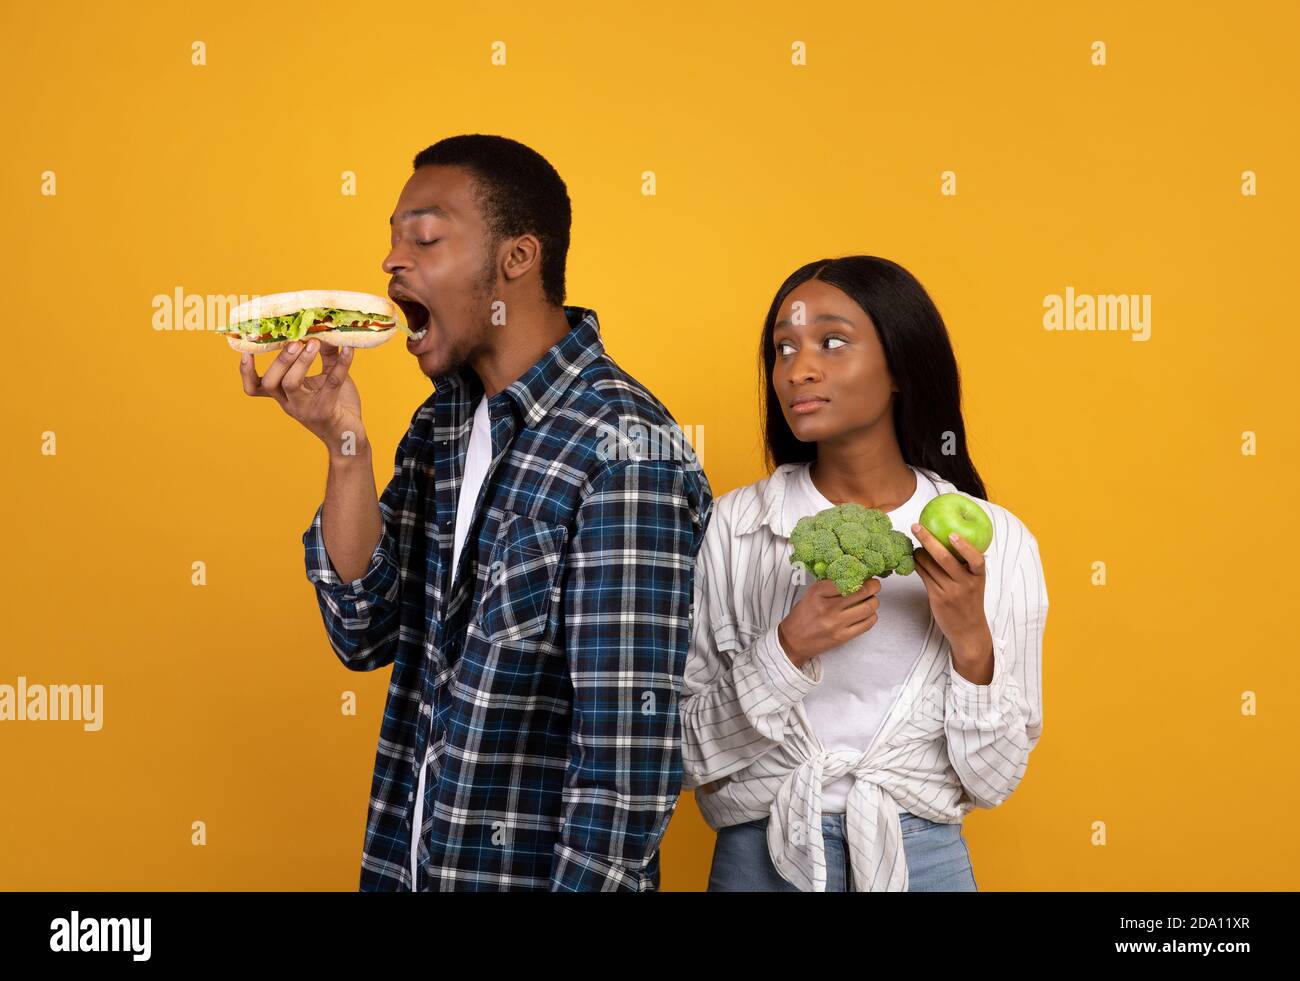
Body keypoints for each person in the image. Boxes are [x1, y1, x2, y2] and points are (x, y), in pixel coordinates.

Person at [238, 134, 713, 891]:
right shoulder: (444, 427)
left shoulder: (627, 450)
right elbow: (364, 629)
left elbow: (626, 776)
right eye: (392, 239)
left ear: (517, 259)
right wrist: (344, 443)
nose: (392, 262)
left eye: (423, 237)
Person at [679, 255, 1048, 892]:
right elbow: (683, 753)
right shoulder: (733, 528)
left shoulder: (1000, 541)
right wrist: (786, 650)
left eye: (832, 341)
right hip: (759, 855)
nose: (799, 369)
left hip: (922, 860)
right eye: (783, 348)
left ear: (901, 365)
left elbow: (995, 779)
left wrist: (970, 637)